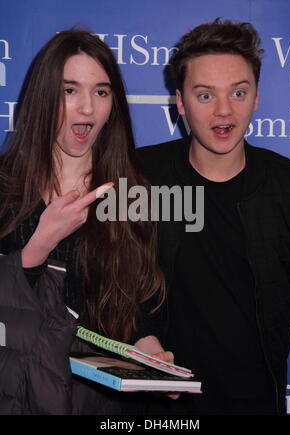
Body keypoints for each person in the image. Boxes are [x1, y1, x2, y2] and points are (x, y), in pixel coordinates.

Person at [0, 29, 171, 415]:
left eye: (101, 91)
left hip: (96, 403)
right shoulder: (5, 186)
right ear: (44, 95)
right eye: (69, 90)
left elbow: (139, 306)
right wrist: (38, 246)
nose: (87, 109)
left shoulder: (134, 193)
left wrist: (146, 348)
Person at [137, 18, 290, 415]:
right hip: (156, 409)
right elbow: (109, 279)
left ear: (257, 96)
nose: (224, 111)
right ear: (180, 102)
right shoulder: (139, 176)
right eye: (205, 95)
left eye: (238, 93)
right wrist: (140, 337)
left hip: (257, 402)